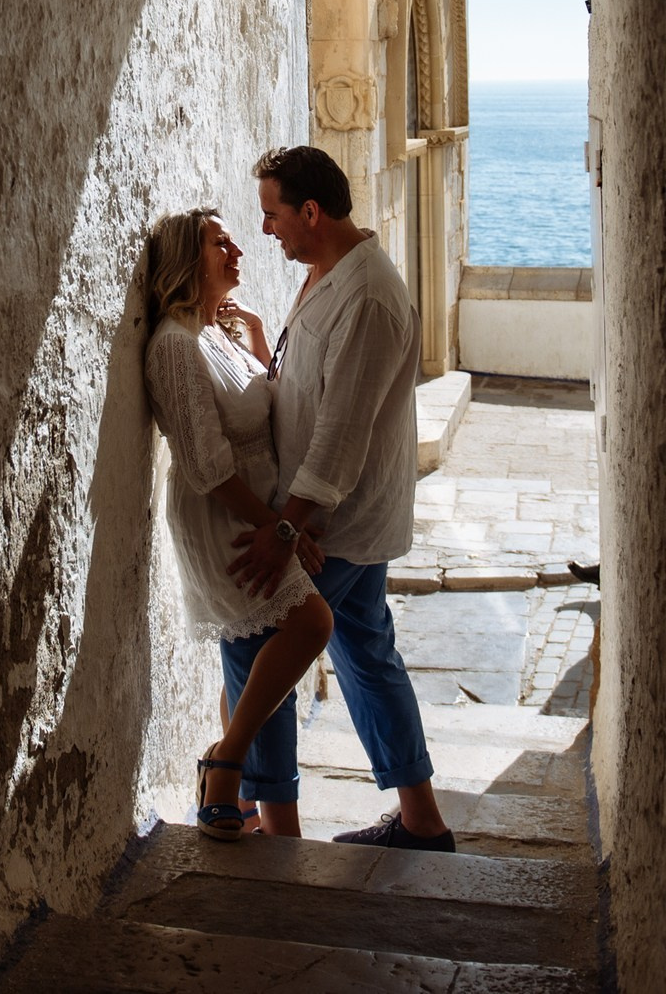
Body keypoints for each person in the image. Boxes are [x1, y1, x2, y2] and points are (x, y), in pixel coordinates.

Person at [225, 145, 455, 851]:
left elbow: (341, 436)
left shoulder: (371, 296)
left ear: (312, 212)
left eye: (273, 214)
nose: (266, 229)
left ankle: (274, 827)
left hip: (338, 522)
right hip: (342, 518)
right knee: (365, 652)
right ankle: (422, 821)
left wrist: (286, 530)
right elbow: (315, 386)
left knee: (258, 639)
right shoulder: (331, 271)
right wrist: (269, 350)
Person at [138, 206, 334, 842]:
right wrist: (282, 532)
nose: (238, 251)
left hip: (258, 509)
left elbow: (255, 410)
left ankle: (249, 805)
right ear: (186, 261)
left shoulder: (214, 333)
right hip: (226, 518)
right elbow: (208, 467)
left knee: (250, 663)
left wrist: (253, 338)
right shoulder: (173, 345)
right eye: (220, 243)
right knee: (312, 622)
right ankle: (224, 764)